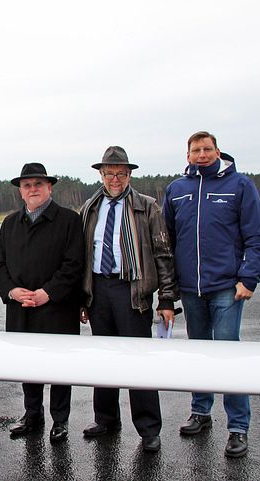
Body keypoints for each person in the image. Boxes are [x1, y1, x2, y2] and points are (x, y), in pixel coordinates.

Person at [163, 131, 260, 458]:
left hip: (226, 288)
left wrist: (248, 279)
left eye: (207, 149)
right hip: (191, 290)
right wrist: (169, 288)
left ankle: (238, 427)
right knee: (199, 353)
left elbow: (257, 237)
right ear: (188, 155)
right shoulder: (176, 190)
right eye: (196, 150)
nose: (202, 154)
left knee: (227, 355)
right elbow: (166, 240)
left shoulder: (239, 186)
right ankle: (201, 412)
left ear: (218, 151)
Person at [79, 146, 178, 453]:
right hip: (99, 290)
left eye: (121, 173)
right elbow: (82, 256)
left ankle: (149, 428)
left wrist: (166, 300)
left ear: (129, 174)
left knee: (139, 361)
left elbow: (163, 254)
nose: (115, 179)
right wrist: (82, 299)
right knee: (104, 359)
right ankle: (106, 419)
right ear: (101, 174)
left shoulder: (147, 207)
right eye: (110, 173)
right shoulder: (90, 207)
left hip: (132, 290)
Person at [0, 162, 84, 443]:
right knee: (26, 363)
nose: (33, 189)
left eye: (38, 184)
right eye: (27, 185)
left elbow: (74, 264)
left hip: (57, 308)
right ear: (20, 191)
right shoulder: (9, 223)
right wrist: (12, 291)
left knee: (59, 365)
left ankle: (60, 419)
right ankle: (32, 414)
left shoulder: (69, 220)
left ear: (49, 187)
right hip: (21, 308)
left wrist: (48, 292)